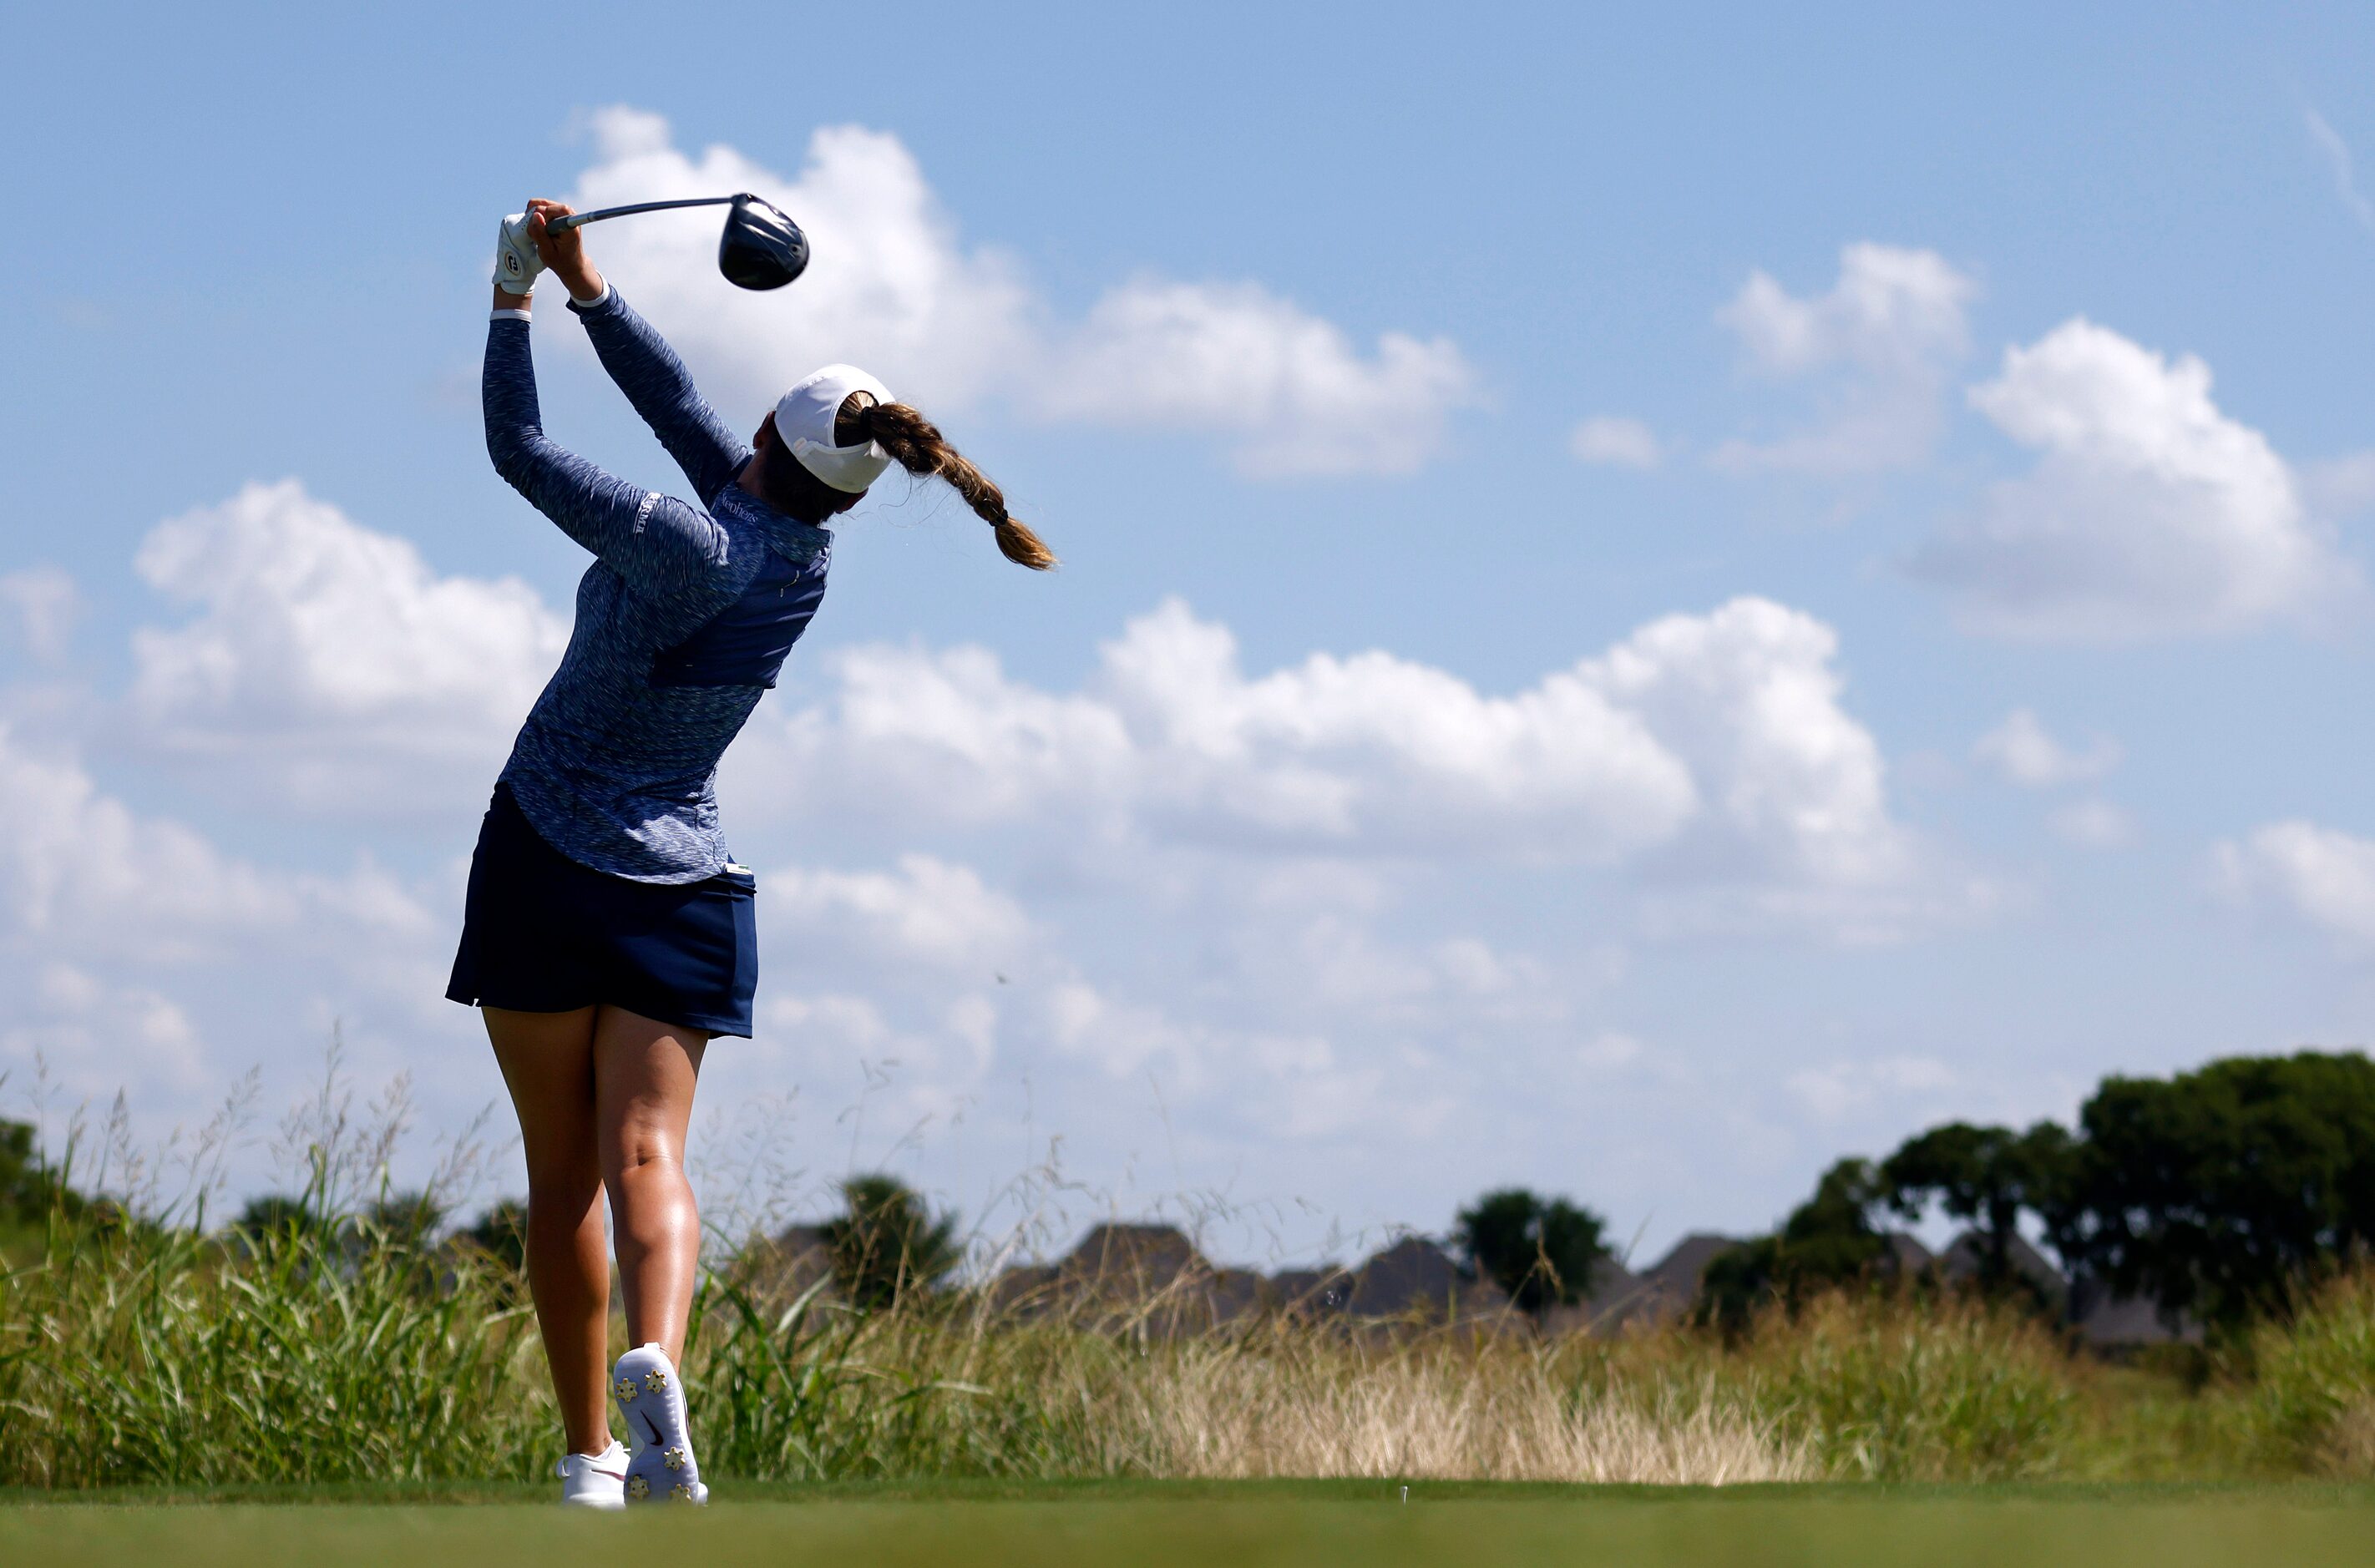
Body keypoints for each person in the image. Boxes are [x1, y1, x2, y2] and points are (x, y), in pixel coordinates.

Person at [453, 200, 1053, 1509]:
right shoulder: (802, 557)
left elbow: (517, 446)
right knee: (648, 1158)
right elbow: (678, 409)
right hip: (685, 884)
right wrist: (587, 288)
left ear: (770, 435)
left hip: (548, 853)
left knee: (561, 1171)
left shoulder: (683, 536)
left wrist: (508, 299)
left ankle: (586, 1459)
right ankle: (656, 1358)